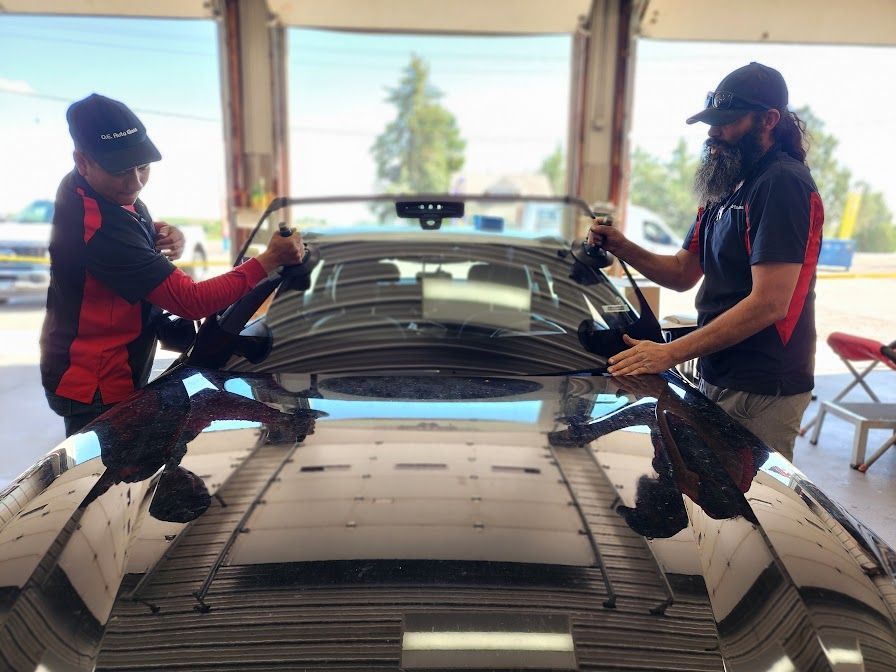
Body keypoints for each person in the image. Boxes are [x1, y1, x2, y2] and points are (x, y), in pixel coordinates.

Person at [589, 63, 823, 460]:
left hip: (762, 384)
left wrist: (668, 353)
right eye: (711, 122)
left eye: (727, 122)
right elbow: (682, 273)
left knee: (749, 508)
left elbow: (770, 303)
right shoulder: (725, 187)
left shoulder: (782, 184)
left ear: (768, 120)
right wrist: (622, 246)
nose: (714, 132)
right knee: (713, 498)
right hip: (719, 372)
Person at [40, 93, 306, 437]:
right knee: (111, 480)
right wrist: (269, 261)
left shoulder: (88, 188)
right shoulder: (99, 226)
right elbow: (191, 302)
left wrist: (161, 232)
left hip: (102, 363)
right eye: (121, 171)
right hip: (94, 383)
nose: (135, 183)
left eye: (143, 167)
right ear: (83, 160)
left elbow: (123, 232)